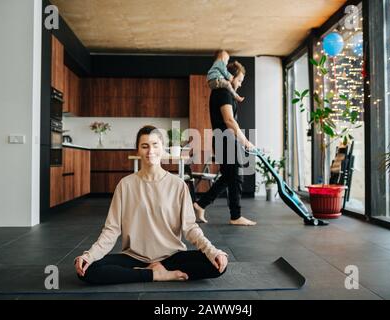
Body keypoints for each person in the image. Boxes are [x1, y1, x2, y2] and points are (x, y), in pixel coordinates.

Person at [74, 125, 228, 285]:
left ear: (163, 148)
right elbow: (111, 230)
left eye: (155, 145)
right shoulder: (125, 185)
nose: (150, 151)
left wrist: (213, 252)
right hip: (134, 258)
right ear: (137, 150)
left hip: (171, 257)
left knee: (217, 264)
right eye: (144, 146)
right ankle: (155, 275)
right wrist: (89, 255)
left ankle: (150, 272)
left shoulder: (178, 185)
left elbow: (190, 228)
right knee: (87, 270)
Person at [194, 61, 257, 226]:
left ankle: (201, 204)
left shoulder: (225, 92)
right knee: (235, 177)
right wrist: (245, 141)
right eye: (240, 80)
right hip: (226, 140)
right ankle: (235, 216)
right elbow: (229, 120)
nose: (240, 84)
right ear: (230, 77)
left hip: (225, 140)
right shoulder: (223, 92)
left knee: (229, 177)